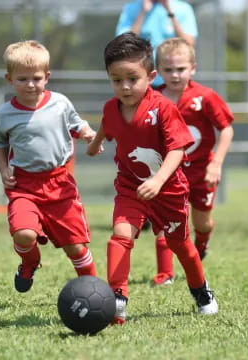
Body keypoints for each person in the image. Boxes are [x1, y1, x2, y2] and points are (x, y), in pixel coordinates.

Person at [87, 32, 218, 324]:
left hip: (168, 190)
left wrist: (158, 181)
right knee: (121, 235)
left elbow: (178, 147)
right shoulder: (111, 107)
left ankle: (201, 291)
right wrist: (96, 143)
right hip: (130, 187)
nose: (124, 86)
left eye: (132, 78)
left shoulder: (163, 108)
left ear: (151, 76)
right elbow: (108, 125)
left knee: (180, 245)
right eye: (116, 79)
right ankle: (117, 299)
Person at [0, 40, 97, 293]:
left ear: (47, 77)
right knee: (24, 234)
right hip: (24, 185)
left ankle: (95, 290)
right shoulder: (4, 114)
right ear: (9, 79)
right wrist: (4, 171)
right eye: (22, 79)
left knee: (75, 248)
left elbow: (77, 124)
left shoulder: (60, 103)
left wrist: (88, 133)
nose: (30, 84)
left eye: (37, 78)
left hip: (59, 184)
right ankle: (30, 261)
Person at [151, 38, 234, 286]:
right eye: (168, 70)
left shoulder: (205, 97)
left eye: (181, 69)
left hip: (201, 172)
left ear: (193, 68)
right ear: (158, 71)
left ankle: (201, 245)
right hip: (169, 173)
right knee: (167, 223)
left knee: (201, 221)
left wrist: (216, 163)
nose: (175, 75)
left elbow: (226, 129)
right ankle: (165, 273)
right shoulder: (152, 98)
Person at [116, 0, 198, 87]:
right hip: (142, 80)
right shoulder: (130, 8)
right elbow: (123, 43)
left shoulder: (183, 8)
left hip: (175, 79)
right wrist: (143, 12)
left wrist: (170, 12)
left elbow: (189, 43)